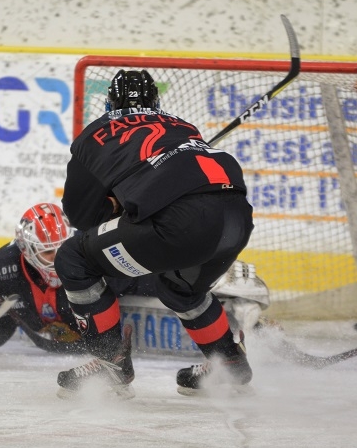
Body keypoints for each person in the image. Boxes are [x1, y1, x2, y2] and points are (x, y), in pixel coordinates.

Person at [54, 69, 255, 398]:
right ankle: (229, 364)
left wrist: (118, 210)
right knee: (179, 288)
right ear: (157, 102)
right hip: (237, 219)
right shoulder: (182, 126)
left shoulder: (96, 134)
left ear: (109, 102)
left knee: (73, 258)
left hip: (183, 223)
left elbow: (80, 215)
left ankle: (111, 365)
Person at [0, 203, 270, 371]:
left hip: (107, 337)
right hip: (72, 344)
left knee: (161, 280)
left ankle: (229, 305)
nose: (56, 258)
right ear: (26, 251)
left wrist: (218, 281)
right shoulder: (1, 270)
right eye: (47, 253)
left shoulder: (90, 258)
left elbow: (159, 271)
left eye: (61, 248)